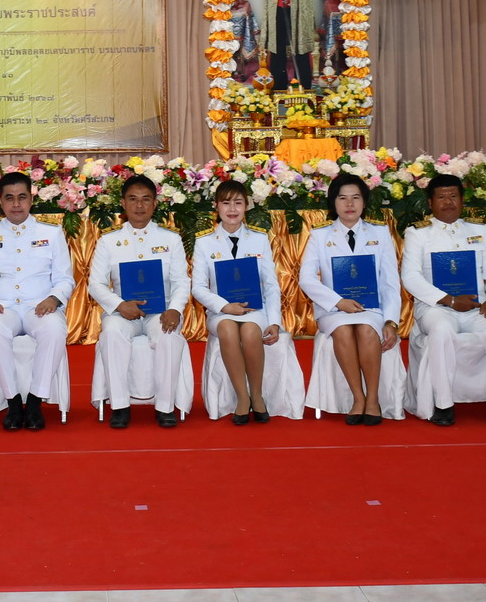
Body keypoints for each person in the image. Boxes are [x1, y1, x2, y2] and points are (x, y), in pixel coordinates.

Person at [400, 174, 486, 426]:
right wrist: (450, 301)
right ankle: (443, 404)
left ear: (462, 200)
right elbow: (410, 277)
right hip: (436, 307)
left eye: (453, 196)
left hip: (478, 306)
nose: (448, 202)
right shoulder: (417, 233)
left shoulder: (479, 230)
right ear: (430, 202)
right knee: (441, 331)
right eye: (441, 197)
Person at [0, 170, 74, 431]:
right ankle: (13, 401)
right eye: (9, 198)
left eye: (22, 197)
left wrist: (54, 298)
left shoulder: (51, 232)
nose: (16, 204)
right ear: (0, 202)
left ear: (31, 200)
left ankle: (36, 401)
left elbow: (65, 279)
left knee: (53, 330)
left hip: (39, 305)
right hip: (2, 305)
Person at [87, 174, 193, 428]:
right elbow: (95, 284)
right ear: (123, 203)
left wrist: (175, 310)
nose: (139, 206)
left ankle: (165, 407)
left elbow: (181, 281)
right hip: (122, 311)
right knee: (111, 334)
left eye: (146, 200)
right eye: (133, 199)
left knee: (168, 335)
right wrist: (119, 305)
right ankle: (120, 406)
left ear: (155, 204)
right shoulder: (108, 240)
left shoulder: (171, 239)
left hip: (161, 310)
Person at [300, 172, 401, 425]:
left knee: (367, 330)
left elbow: (390, 282)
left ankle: (373, 399)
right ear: (333, 203)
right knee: (343, 330)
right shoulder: (319, 236)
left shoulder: (380, 233)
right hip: (333, 310)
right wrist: (337, 302)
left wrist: (391, 321)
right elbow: (307, 279)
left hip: (371, 308)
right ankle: (358, 398)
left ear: (364, 202)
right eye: (342, 198)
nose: (349, 204)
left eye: (356, 198)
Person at [190, 180, 283, 423]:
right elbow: (198, 288)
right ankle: (243, 398)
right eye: (226, 203)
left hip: (254, 309)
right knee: (228, 330)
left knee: (252, 332)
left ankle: (258, 395)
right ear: (216, 207)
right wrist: (224, 306)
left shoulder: (259, 239)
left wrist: (274, 322)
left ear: (247, 206)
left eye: (238, 203)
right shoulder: (204, 242)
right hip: (220, 311)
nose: (232, 209)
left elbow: (271, 284)